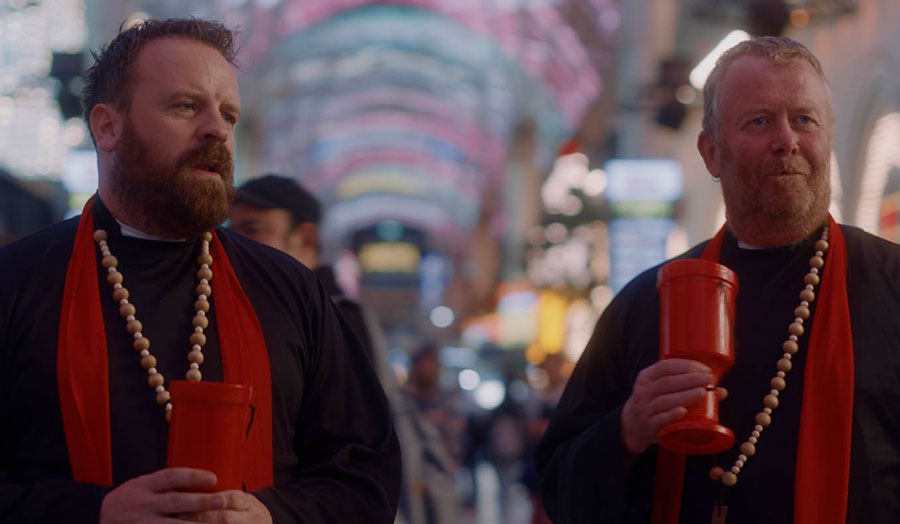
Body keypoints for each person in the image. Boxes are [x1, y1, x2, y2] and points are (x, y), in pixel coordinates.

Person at [0, 18, 400, 523]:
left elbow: (366, 476)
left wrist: (272, 516)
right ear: (108, 126)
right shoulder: (16, 283)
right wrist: (93, 514)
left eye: (229, 115)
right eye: (186, 106)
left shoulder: (291, 291)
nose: (216, 129)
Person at [535, 36, 900, 524]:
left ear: (827, 138)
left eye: (804, 119)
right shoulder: (646, 302)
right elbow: (560, 488)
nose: (787, 139)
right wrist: (627, 429)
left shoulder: (891, 283)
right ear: (711, 153)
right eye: (759, 120)